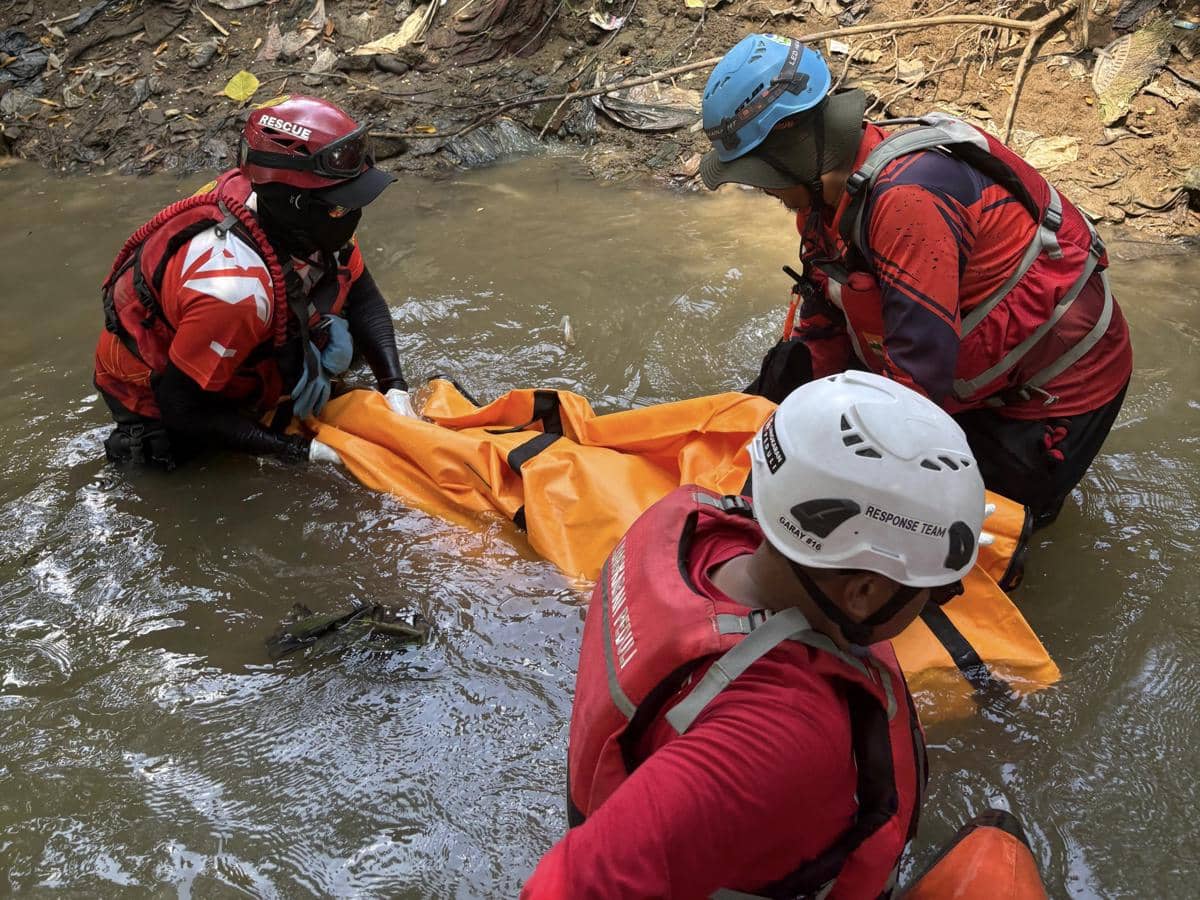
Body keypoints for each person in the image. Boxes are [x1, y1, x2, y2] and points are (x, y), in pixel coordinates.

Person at [523, 370, 985, 899]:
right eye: (940, 590)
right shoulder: (780, 733)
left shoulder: (693, 530)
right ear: (861, 593)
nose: (937, 599)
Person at [699, 34, 1133, 526]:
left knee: (964, 529)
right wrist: (785, 416)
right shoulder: (825, 202)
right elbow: (824, 317)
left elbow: (915, 391)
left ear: (797, 149)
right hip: (959, 357)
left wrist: (818, 475)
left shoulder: (909, 203)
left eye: (758, 172)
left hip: (1052, 394)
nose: (758, 187)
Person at [94, 95, 418, 470]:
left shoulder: (312, 225)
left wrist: (394, 385)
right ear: (292, 203)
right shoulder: (232, 291)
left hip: (238, 328)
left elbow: (362, 296)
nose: (352, 215)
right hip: (163, 393)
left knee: (351, 346)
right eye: (341, 206)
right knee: (179, 459)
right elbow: (180, 407)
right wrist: (296, 452)